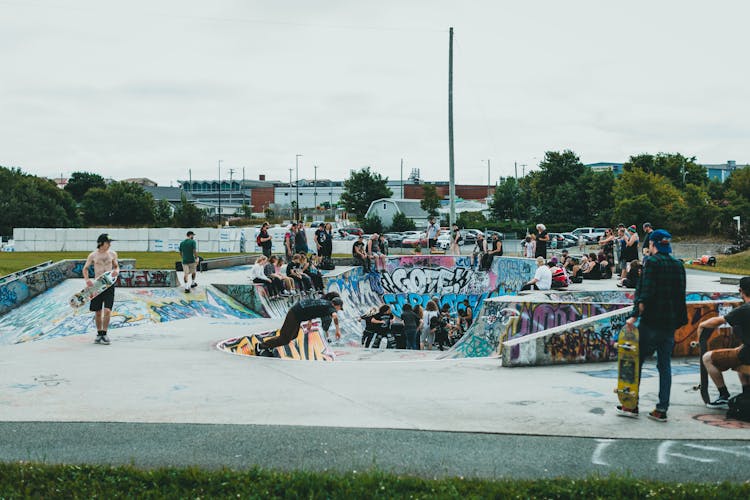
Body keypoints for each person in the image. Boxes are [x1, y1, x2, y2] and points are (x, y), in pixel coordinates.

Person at [618, 229, 687, 422]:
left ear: (653, 244)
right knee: (664, 366)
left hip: (651, 322)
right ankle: (661, 409)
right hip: (670, 323)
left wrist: (633, 317)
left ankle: (630, 405)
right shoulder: (678, 265)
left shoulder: (652, 264)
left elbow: (644, 295)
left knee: (635, 361)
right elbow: (681, 295)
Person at [698, 276, 750, 409]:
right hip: (745, 351)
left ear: (741, 291)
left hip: (748, 353)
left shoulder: (744, 309)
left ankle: (723, 395)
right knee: (739, 353)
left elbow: (719, 321)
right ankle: (746, 393)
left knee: (707, 358)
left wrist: (702, 324)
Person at [255, 292, 343, 356]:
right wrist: (337, 331)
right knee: (285, 339)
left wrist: (310, 321)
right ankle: (260, 346)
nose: (338, 310)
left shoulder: (324, 302)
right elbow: (335, 316)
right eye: (339, 308)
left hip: (297, 314)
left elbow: (313, 307)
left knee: (293, 335)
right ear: (337, 305)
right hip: (295, 315)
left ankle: (271, 345)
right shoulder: (331, 307)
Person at [83, 233, 120, 345]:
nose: (109, 244)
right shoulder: (93, 255)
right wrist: (87, 280)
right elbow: (85, 269)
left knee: (107, 310)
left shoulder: (113, 254)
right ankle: (99, 334)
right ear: (101, 243)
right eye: (107, 242)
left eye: (109, 243)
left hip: (109, 284)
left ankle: (105, 333)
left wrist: (116, 271)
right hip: (97, 285)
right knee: (98, 312)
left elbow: (116, 266)